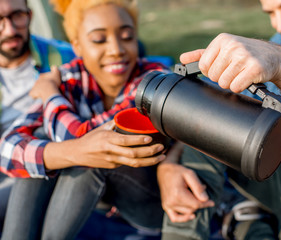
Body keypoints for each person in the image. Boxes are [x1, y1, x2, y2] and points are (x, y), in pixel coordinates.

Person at [0, 0, 220, 239]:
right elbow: (8, 146)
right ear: (77, 46)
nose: (116, 49)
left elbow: (84, 139)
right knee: (40, 149)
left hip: (149, 205)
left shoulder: (150, 82)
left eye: (127, 37)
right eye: (98, 40)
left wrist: (49, 94)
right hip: (100, 211)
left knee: (96, 154)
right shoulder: (69, 77)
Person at [159, 0, 281, 239]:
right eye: (271, 12)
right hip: (277, 174)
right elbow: (219, 113)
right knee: (203, 119)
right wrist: (171, 163)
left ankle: (250, 220)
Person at [0, 0, 76, 233]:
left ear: (30, 15)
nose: (11, 30)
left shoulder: (65, 56)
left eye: (17, 16)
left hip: (58, 164)